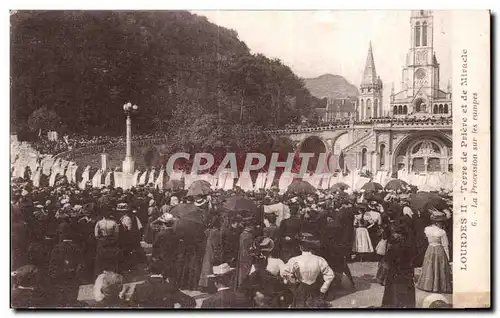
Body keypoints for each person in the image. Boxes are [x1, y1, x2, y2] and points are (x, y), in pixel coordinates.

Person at [282, 233, 334, 308]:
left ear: (300, 247)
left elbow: (285, 276)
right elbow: (330, 275)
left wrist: (291, 279)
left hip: (300, 290)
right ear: (312, 247)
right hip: (315, 289)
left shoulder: (294, 260)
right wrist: (323, 289)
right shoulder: (319, 260)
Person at [416, 210, 452, 293]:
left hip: (430, 248)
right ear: (437, 223)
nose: (442, 224)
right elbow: (445, 245)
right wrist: (448, 257)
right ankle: (438, 286)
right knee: (439, 267)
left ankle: (428, 285)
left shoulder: (427, 229)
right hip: (439, 250)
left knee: (429, 266)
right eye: (441, 222)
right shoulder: (442, 232)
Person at [131, 262, 196, 308]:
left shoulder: (139, 287)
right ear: (163, 272)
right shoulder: (170, 287)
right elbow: (191, 302)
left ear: (149, 272)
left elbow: (131, 304)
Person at [381, 222, 416, 308]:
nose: (394, 235)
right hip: (407, 275)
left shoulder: (393, 247)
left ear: (400, 235)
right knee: (407, 298)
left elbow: (386, 264)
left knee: (393, 297)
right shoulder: (411, 247)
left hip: (394, 275)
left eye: (396, 233)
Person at [235, 218, 255, 288]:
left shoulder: (242, 234)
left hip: (241, 254)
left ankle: (240, 284)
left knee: (241, 270)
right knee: (246, 270)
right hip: (247, 255)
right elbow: (250, 247)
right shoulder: (249, 235)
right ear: (249, 226)